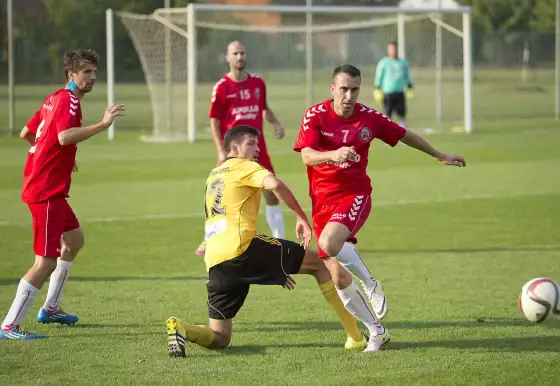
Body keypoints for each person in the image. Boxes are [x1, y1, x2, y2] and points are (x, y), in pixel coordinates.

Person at [294, 64, 466, 349]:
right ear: (333, 89)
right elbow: (307, 156)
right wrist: (333, 153)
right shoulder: (315, 115)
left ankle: (370, 283)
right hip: (321, 201)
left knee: (329, 241)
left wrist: (439, 154)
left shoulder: (369, 119)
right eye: (344, 89)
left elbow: (403, 134)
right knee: (337, 277)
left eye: (355, 89)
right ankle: (377, 331)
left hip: (354, 194)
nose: (349, 96)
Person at [166, 126, 378, 356]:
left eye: (258, 144)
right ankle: (355, 338)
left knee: (220, 337)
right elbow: (275, 185)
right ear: (234, 148)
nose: (257, 149)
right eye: (251, 144)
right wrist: (300, 217)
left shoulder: (214, 174)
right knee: (321, 263)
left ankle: (183, 328)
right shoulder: (244, 165)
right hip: (242, 249)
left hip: (216, 261)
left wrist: (275, 268)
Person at [0, 49, 125, 340]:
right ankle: (9, 325)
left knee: (75, 240)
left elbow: (27, 133)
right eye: (86, 73)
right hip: (45, 191)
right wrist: (103, 125)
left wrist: (58, 157)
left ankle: (51, 308)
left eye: (94, 72)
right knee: (45, 261)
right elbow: (63, 136)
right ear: (71, 74)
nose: (92, 77)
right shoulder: (68, 100)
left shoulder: (53, 97)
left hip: (50, 189)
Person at [195, 41, 285, 256]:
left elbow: (264, 108)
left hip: (257, 150)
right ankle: (210, 237)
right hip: (232, 152)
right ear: (227, 57)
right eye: (235, 53)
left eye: (242, 53)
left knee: (271, 192)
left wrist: (276, 123)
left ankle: (280, 241)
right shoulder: (222, 87)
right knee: (218, 196)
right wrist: (220, 149)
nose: (239, 57)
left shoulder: (258, 83)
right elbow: (214, 120)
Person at [374, 42, 413, 128]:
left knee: (402, 113)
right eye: (391, 49)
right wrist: (377, 88)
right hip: (388, 93)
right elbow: (379, 76)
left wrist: (410, 85)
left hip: (399, 92)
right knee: (387, 114)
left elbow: (407, 75)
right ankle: (387, 134)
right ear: (388, 50)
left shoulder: (403, 63)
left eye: (395, 48)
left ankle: (403, 133)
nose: (393, 51)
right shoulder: (384, 62)